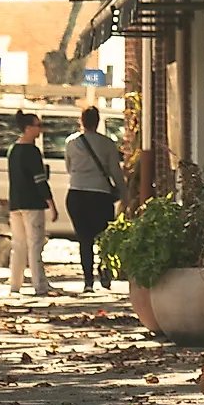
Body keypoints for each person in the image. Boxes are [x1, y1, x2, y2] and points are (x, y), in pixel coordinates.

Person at [62, 106, 124, 292]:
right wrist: (124, 193)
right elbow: (115, 171)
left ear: (81, 121)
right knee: (104, 237)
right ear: (98, 121)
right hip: (100, 195)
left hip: (77, 193)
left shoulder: (71, 142)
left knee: (84, 239)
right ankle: (105, 272)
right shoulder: (107, 143)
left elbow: (68, 167)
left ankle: (88, 280)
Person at [5, 114, 57, 296]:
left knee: (18, 245)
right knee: (35, 244)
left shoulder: (13, 150)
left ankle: (15, 284)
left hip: (16, 203)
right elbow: (40, 180)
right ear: (28, 128)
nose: (40, 129)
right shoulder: (32, 151)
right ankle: (39, 284)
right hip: (32, 203)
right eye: (37, 125)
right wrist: (51, 203)